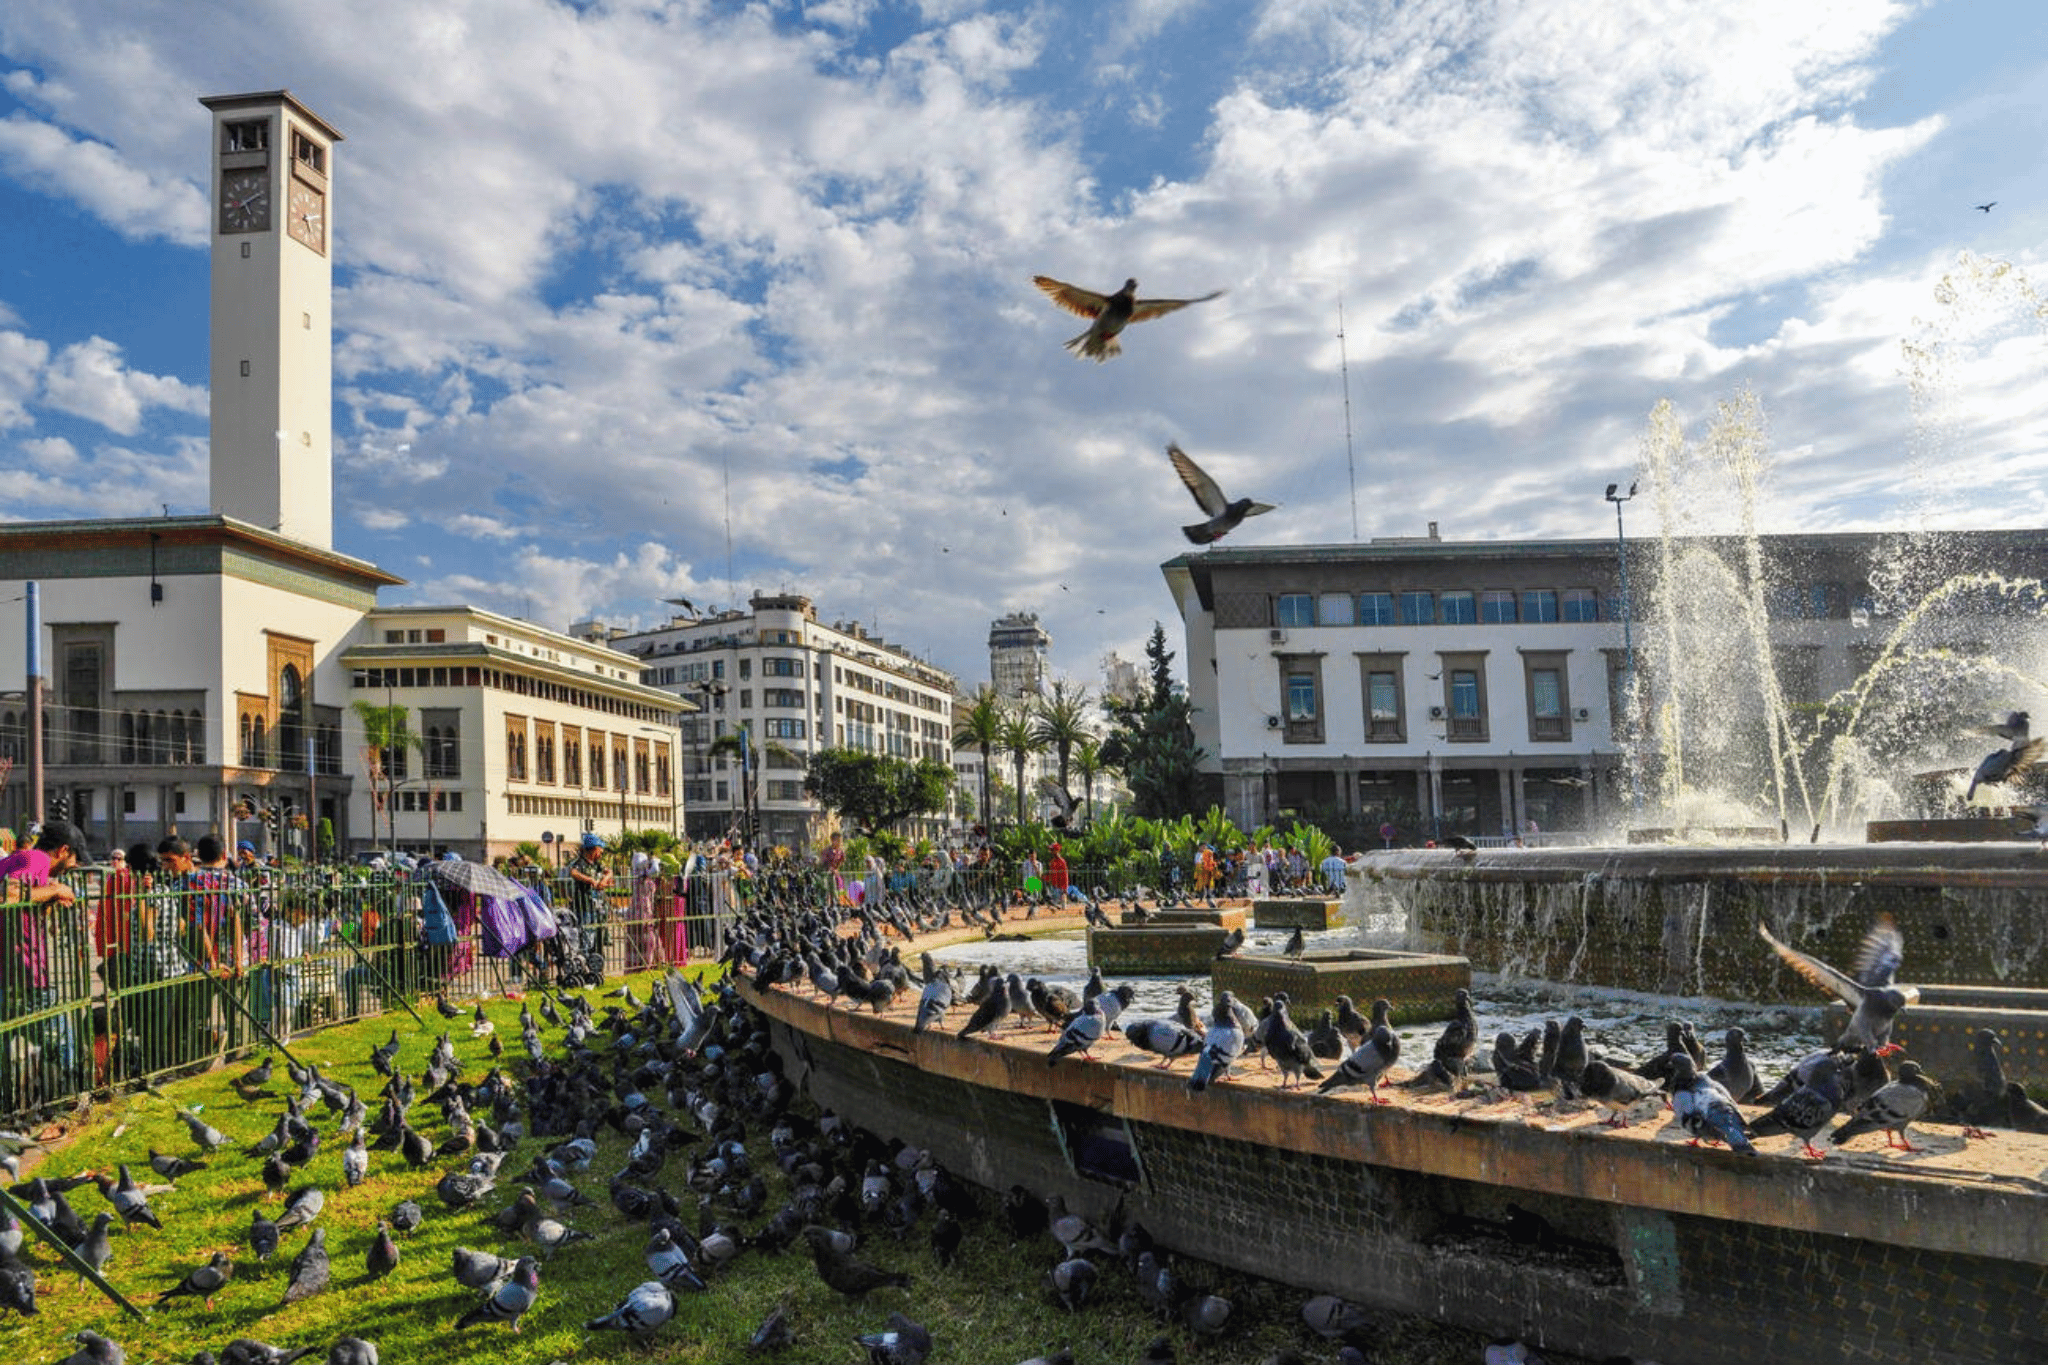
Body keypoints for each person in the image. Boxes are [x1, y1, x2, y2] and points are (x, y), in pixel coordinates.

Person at [1, 820, 86, 1106]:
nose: (73, 867)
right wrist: (54, 890)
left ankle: (11, 1105)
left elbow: (18, 904)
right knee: (64, 1044)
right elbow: (9, 896)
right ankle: (67, 1101)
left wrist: (47, 895)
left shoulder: (15, 859)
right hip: (23, 979)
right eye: (73, 859)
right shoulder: (35, 858)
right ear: (63, 850)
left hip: (11, 976)